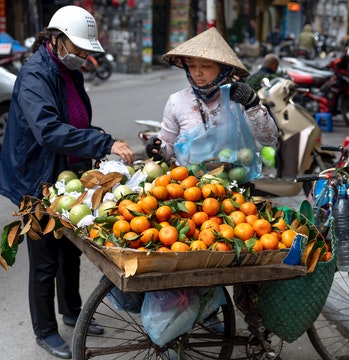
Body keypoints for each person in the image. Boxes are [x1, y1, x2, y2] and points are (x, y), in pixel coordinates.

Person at [0, 5, 134, 359]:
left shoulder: (68, 71)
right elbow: (47, 130)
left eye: (87, 50)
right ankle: (44, 330)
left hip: (66, 175)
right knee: (44, 258)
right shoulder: (35, 76)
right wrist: (103, 143)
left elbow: (73, 120)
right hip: (37, 178)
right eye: (78, 49)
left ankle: (73, 313)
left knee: (70, 250)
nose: (83, 56)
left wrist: (98, 138)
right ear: (56, 40)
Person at [146, 27, 278, 169]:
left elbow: (269, 140)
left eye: (206, 66)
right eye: (191, 66)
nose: (197, 73)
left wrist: (252, 104)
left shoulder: (238, 100)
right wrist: (157, 149)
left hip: (233, 184)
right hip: (188, 185)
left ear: (223, 69)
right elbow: (168, 147)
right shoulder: (177, 101)